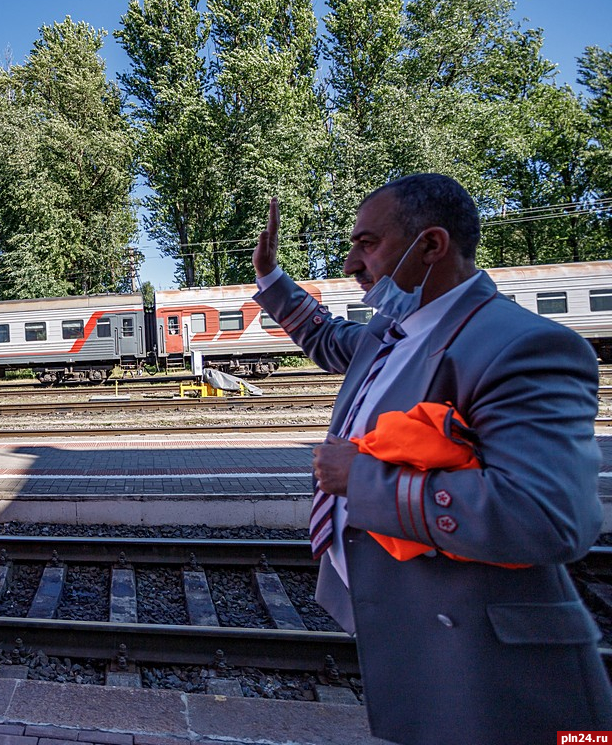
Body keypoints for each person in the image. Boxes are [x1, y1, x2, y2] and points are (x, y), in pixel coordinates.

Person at [252, 174, 612, 745]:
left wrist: (362, 480)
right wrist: (271, 279)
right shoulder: (391, 333)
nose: (351, 263)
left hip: (488, 667)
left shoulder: (522, 345)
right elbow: (324, 337)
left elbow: (549, 517)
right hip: (421, 627)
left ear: (431, 246)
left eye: (367, 244)